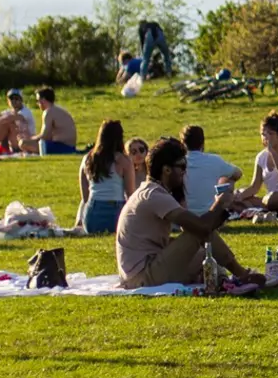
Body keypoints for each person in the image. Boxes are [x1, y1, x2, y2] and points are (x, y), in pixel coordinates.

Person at [115, 137, 261, 290]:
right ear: (166, 170)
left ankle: (226, 281)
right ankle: (242, 275)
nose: (185, 173)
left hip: (143, 271)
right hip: (143, 277)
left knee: (201, 254)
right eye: (182, 167)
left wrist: (225, 209)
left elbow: (194, 227)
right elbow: (201, 228)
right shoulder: (154, 195)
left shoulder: (151, 191)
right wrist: (221, 203)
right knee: (198, 232)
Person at [78, 120, 134, 235]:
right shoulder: (123, 160)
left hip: (92, 213)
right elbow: (130, 194)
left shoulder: (88, 158)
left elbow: (85, 197)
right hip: (116, 212)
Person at [181, 124, 239, 216]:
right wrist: (221, 182)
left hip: (182, 218)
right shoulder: (214, 160)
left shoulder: (176, 164)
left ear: (183, 143)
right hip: (211, 216)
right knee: (229, 181)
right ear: (203, 142)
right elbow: (237, 173)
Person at [0, 89, 36, 154]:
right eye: (11, 99)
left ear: (21, 100)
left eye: (16, 99)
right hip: (13, 143)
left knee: (7, 124)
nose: (13, 101)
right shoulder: (9, 112)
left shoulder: (26, 111)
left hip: (24, 143)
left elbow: (9, 118)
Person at [31, 87, 79, 154]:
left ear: (43, 100)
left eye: (38, 100)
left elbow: (44, 136)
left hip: (62, 147)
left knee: (23, 143)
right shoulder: (59, 110)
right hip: (70, 147)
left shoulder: (48, 112)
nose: (38, 103)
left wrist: (30, 139)